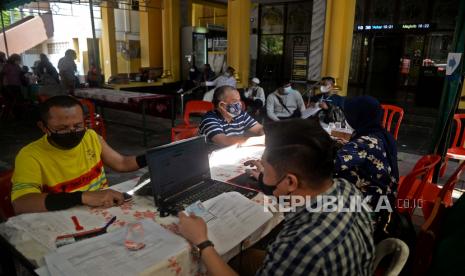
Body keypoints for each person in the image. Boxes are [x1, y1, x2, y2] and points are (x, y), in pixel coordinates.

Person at [179, 119, 375, 275]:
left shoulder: (301, 247)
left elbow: (299, 251)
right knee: (237, 257)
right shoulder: (345, 188)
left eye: (266, 167)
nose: (263, 171)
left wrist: (202, 241)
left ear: (290, 182)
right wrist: (267, 178)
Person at [11, 95, 148, 214]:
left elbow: (122, 163)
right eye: (62, 128)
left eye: (78, 126)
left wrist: (152, 157)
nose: (72, 132)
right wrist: (83, 197)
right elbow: (21, 203)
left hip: (102, 211)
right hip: (64, 218)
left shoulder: (90, 137)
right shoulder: (30, 156)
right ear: (43, 127)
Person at [334, 96, 398, 216]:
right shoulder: (381, 134)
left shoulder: (363, 143)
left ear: (358, 116)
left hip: (369, 205)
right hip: (385, 197)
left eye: (349, 114)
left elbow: (331, 165)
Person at [199, 85, 264, 146]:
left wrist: (264, 135)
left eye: (239, 100)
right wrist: (255, 141)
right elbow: (223, 140)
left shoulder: (241, 115)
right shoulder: (209, 119)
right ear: (221, 105)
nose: (240, 104)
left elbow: (259, 128)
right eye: (235, 101)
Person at [1, 54, 26, 119]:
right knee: (11, 101)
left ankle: (16, 115)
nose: (19, 61)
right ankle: (7, 115)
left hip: (17, 85)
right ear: (14, 59)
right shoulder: (7, 66)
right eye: (18, 60)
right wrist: (2, 85)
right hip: (9, 85)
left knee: (18, 100)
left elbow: (20, 73)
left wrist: (23, 73)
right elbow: (2, 75)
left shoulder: (17, 66)